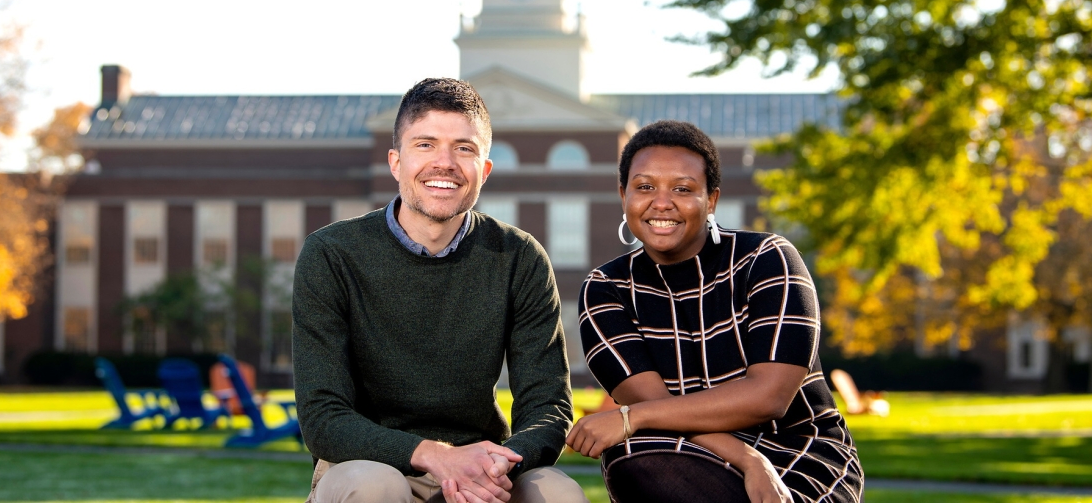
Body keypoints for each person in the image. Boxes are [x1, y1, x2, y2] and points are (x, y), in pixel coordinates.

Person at [293, 78, 588, 503]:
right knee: (376, 487)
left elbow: (548, 407)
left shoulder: (519, 257)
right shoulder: (332, 254)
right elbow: (323, 417)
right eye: (425, 144)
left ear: (484, 170)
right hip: (369, 463)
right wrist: (436, 456)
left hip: (484, 463)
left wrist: (499, 462)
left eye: (464, 148)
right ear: (396, 162)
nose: (445, 163)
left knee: (558, 493)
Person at [567, 120, 864, 503]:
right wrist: (748, 459)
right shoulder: (606, 290)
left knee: (637, 434)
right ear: (623, 195)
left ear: (711, 200)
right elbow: (653, 406)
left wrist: (630, 418)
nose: (661, 202)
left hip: (798, 450)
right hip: (693, 452)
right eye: (644, 187)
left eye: (683, 189)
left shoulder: (766, 259)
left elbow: (769, 397)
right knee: (632, 452)